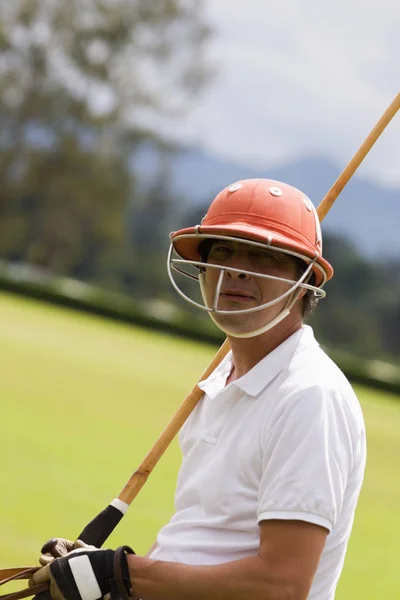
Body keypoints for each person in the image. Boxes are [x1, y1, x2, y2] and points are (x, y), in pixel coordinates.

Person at [31, 179, 366, 600]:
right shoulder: (221, 378)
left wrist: (121, 573)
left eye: (264, 255)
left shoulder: (310, 396)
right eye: (223, 251)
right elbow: (198, 539)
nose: (237, 270)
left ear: (305, 281)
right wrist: (103, 580)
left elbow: (281, 584)